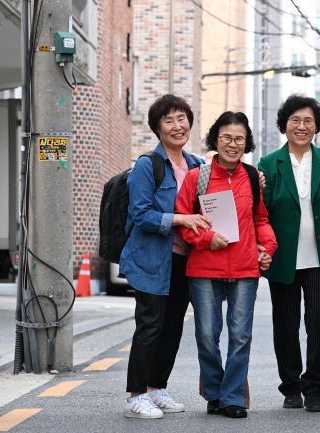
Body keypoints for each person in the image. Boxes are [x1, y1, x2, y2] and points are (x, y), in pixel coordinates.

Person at [175, 111, 277, 419]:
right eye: (226, 138)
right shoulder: (198, 177)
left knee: (240, 335)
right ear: (215, 140)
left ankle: (233, 397)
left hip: (246, 269)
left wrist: (267, 247)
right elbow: (183, 222)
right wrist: (206, 239)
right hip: (204, 268)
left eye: (239, 139)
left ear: (247, 143)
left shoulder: (253, 178)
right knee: (206, 334)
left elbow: (260, 219)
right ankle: (215, 392)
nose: (233, 144)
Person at [257, 94, 320, 412]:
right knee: (285, 323)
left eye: (308, 120)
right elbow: (262, 211)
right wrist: (264, 245)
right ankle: (290, 387)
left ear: (317, 126)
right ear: (284, 124)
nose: (301, 126)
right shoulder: (269, 164)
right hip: (283, 257)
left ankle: (314, 388)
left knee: (319, 322)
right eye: (295, 120)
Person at [120, 94, 211, 419]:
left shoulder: (199, 166)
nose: (177, 126)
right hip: (151, 261)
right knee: (150, 326)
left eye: (182, 118)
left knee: (172, 327)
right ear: (158, 128)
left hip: (186, 261)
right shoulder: (149, 165)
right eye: (169, 120)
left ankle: (156, 388)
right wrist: (178, 219)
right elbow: (140, 214)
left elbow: (212, 206)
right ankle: (135, 396)